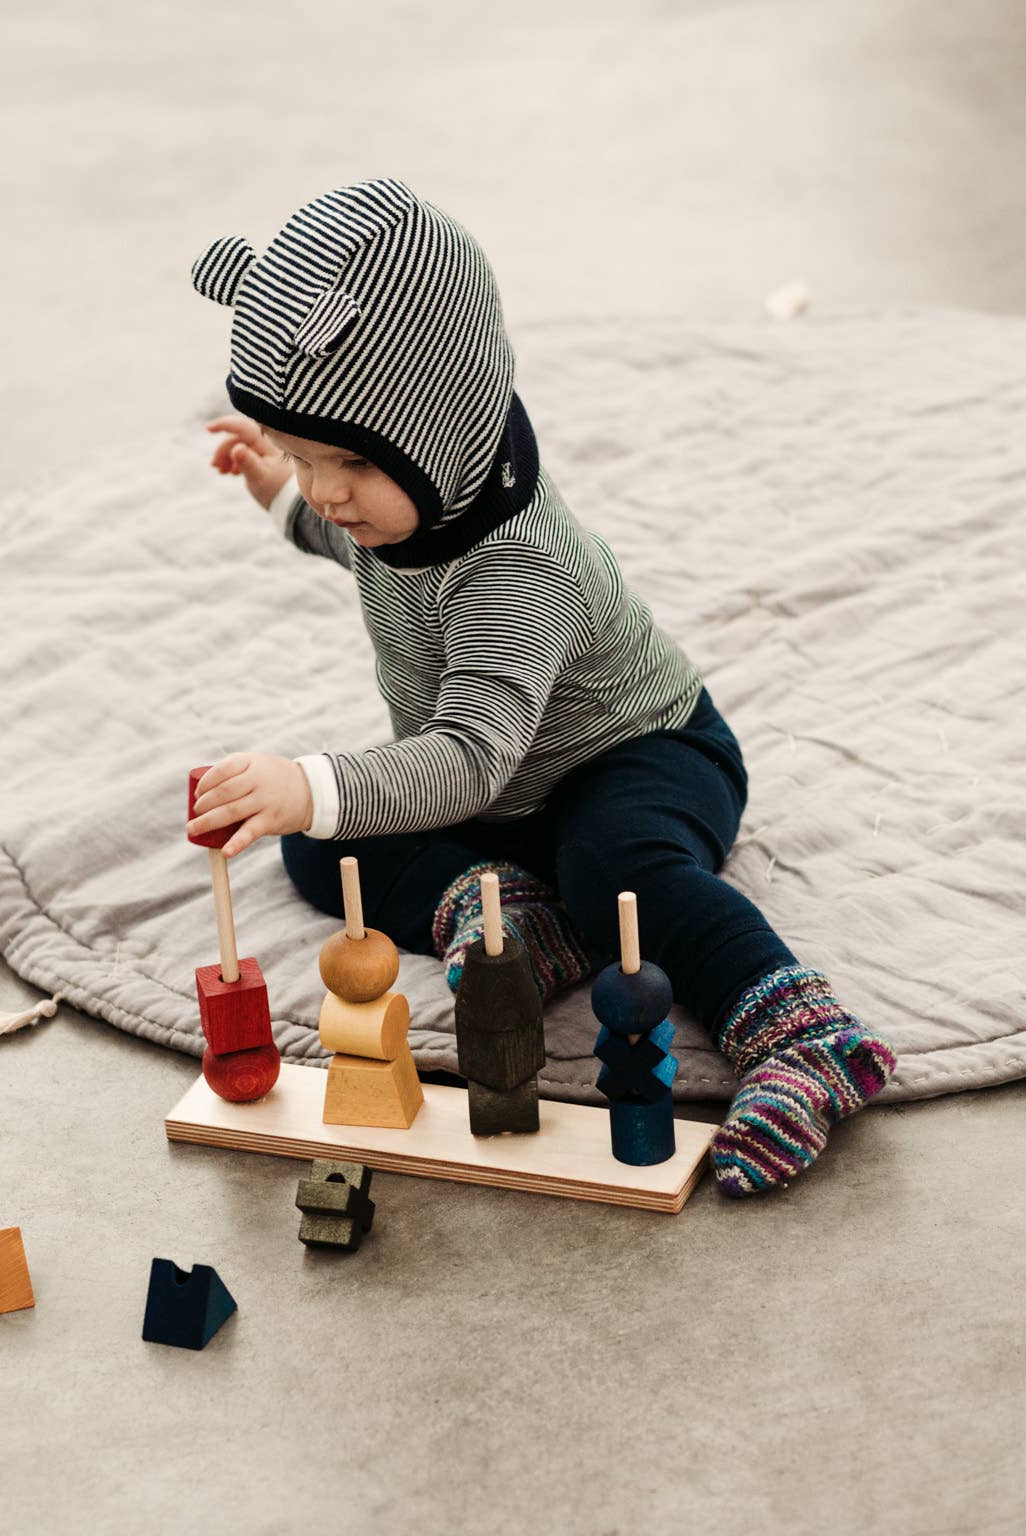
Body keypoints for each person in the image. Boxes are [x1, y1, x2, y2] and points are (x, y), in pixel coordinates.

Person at [182, 177, 893, 1196]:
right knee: (321, 839)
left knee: (617, 869)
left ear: (441, 430)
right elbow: (350, 542)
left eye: (345, 461)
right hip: (500, 784)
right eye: (303, 455)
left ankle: (799, 1033)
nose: (327, 491)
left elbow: (468, 759)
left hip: (638, 753)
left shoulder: (518, 565)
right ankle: (510, 909)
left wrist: (311, 778)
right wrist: (273, 486)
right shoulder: (406, 507)